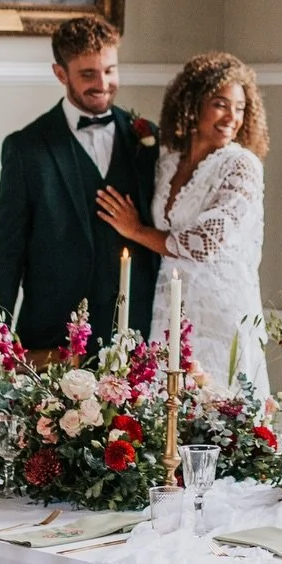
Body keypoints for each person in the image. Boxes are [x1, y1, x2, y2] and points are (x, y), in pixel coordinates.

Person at [96, 53, 270, 392]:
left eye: (240, 108)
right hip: (169, 305)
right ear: (192, 104)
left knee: (220, 405)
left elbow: (204, 243)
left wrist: (136, 230)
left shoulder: (241, 166)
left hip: (220, 311)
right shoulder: (167, 163)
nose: (232, 118)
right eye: (220, 104)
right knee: (165, 405)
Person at [0, 15, 159, 350]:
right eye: (88, 74)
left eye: (110, 70)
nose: (103, 83)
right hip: (54, 333)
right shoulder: (26, 149)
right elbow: (7, 254)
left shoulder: (147, 137)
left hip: (135, 332)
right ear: (60, 73)